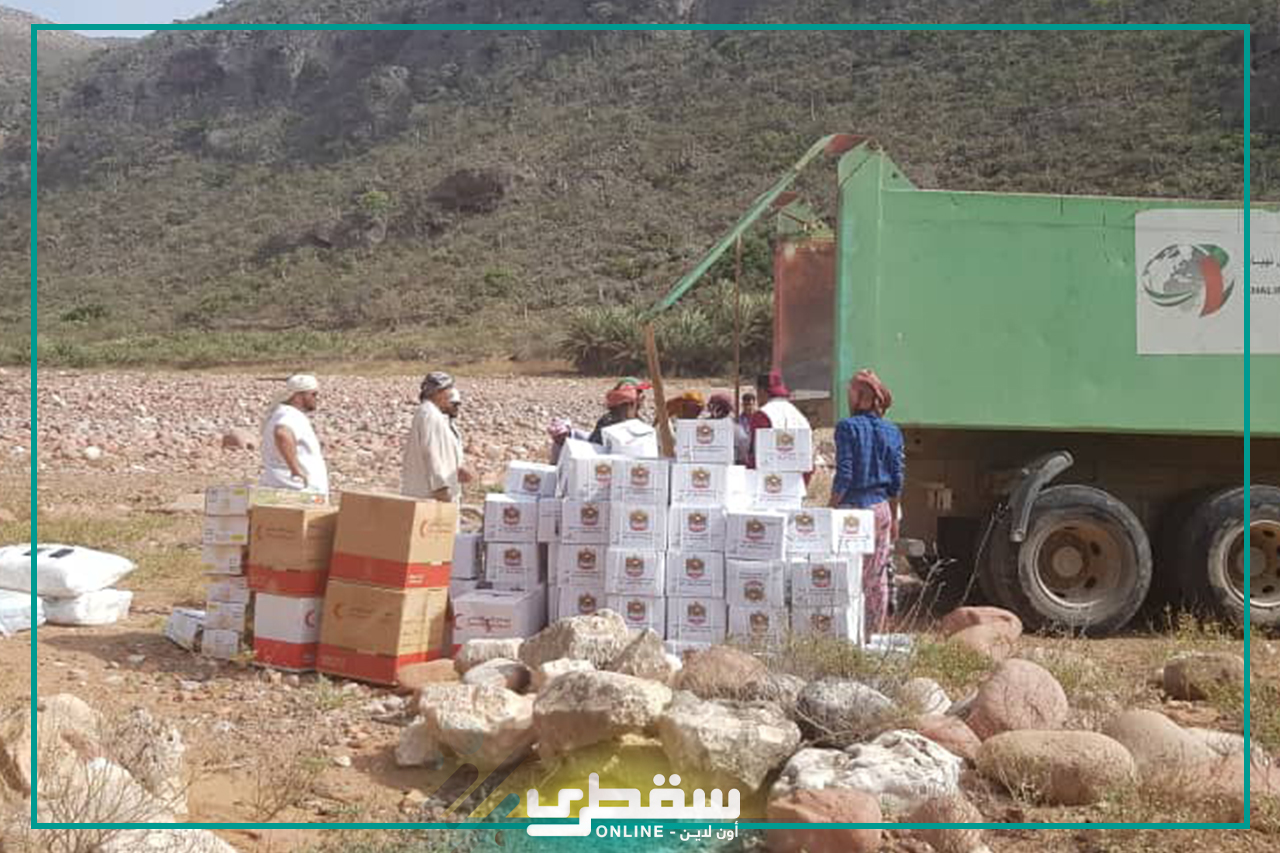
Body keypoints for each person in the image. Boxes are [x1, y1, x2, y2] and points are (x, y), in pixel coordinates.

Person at [828, 369, 905, 637]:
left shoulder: (847, 428)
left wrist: (830, 508)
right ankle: (874, 634)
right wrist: (893, 517)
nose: (848, 396)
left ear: (862, 396)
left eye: (851, 391)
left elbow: (845, 474)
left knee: (848, 575)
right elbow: (897, 479)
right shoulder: (892, 431)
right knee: (877, 577)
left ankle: (848, 633)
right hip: (881, 509)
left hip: (852, 510)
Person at [401, 371, 472, 503]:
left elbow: (443, 453)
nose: (450, 394)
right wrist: (440, 487)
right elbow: (431, 453)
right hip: (431, 497)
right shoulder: (429, 414)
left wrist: (456, 469)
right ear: (438, 392)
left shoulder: (435, 415)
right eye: (448, 390)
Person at [260, 374, 329, 495]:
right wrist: (295, 470)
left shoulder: (280, 413)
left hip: (284, 485)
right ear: (298, 396)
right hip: (298, 489)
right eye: (313, 394)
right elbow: (282, 433)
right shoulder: (291, 415)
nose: (316, 398)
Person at [746, 370, 811, 470]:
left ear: (762, 391)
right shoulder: (798, 415)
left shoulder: (762, 415)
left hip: (770, 475)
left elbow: (756, 455)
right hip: (797, 475)